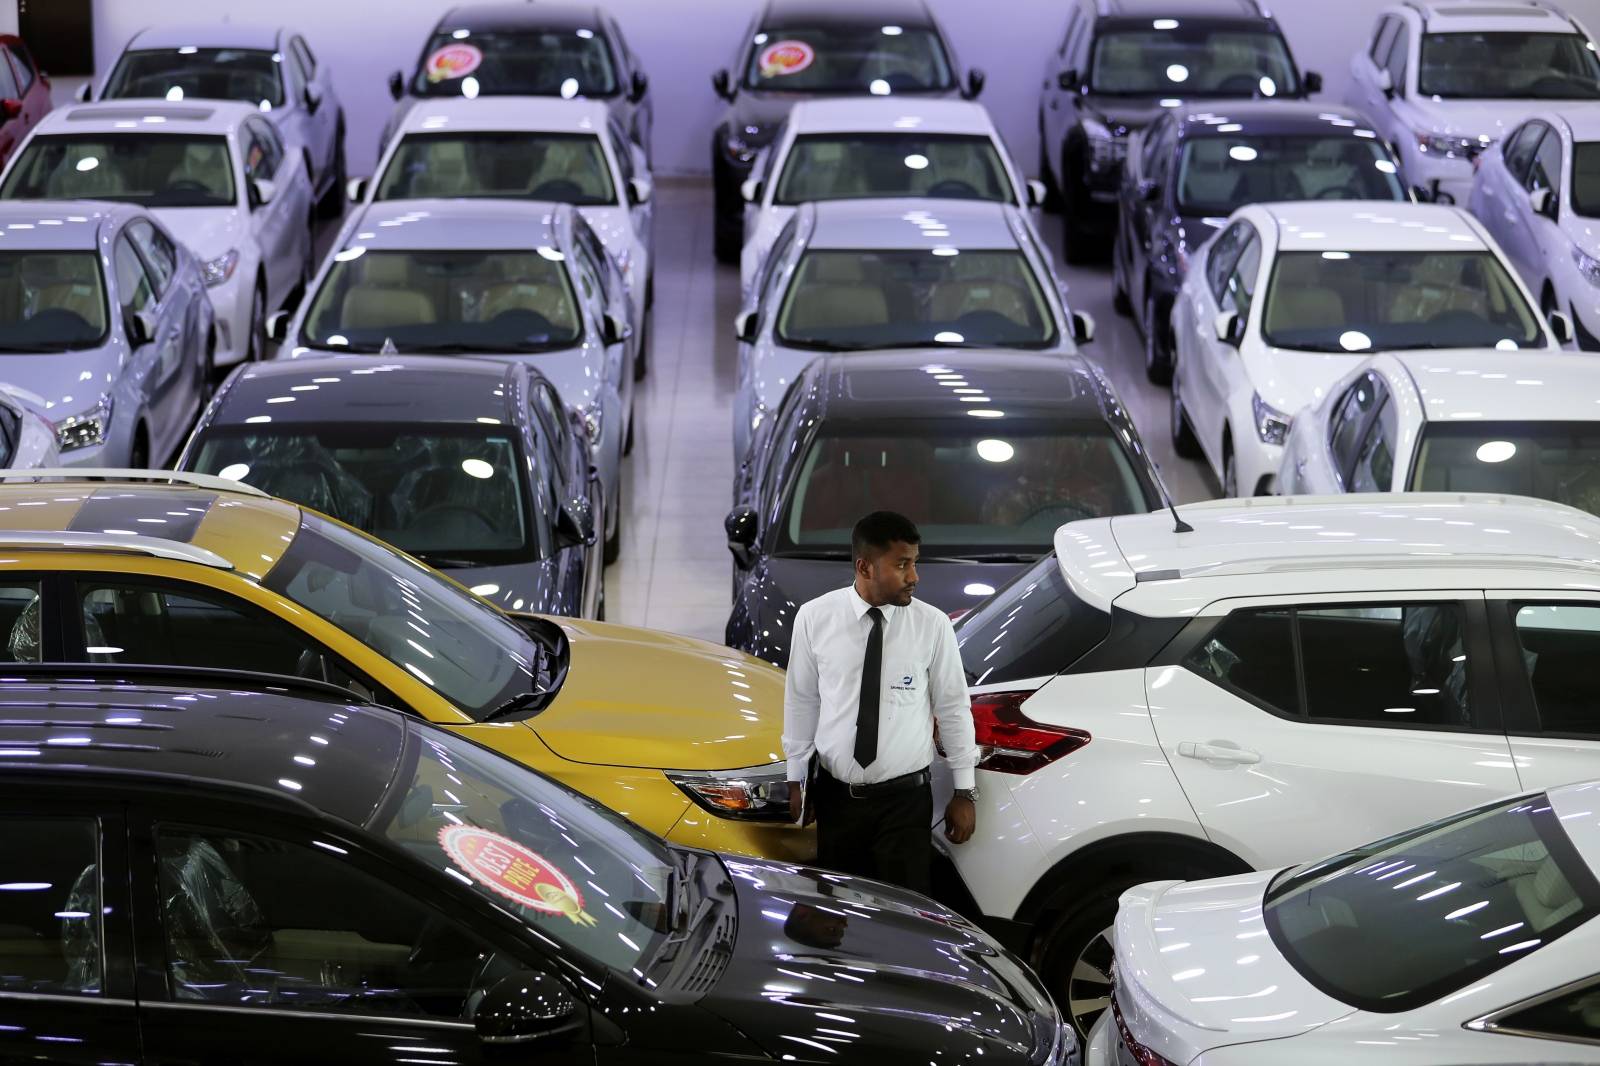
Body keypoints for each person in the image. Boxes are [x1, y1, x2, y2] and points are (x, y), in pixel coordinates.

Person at [782, 510, 977, 895]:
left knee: (905, 915)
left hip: (905, 804)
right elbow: (801, 700)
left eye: (915, 563)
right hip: (837, 800)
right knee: (841, 910)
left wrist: (964, 790)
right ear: (865, 566)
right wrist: (797, 780)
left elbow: (953, 707)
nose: (914, 577)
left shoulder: (932, 625)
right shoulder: (814, 618)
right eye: (902, 565)